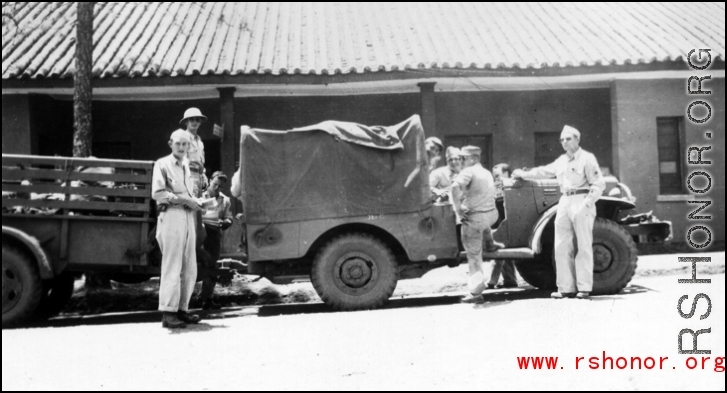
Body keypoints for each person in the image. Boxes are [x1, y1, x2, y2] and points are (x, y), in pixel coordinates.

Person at [512, 125, 606, 300]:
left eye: (568, 139)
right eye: (562, 140)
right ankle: (565, 288)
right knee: (561, 246)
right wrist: (522, 174)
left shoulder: (587, 158)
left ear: (577, 139)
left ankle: (584, 288)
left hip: (581, 199)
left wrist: (586, 204)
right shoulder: (561, 161)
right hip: (564, 201)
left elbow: (599, 183)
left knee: (583, 246)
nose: (564, 142)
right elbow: (543, 171)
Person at [152, 130, 205, 329]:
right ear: (170, 143)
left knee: (189, 265)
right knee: (172, 264)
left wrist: (198, 202)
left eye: (185, 144)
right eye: (178, 144)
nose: (181, 148)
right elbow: (158, 193)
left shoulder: (186, 165)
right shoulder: (162, 164)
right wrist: (185, 200)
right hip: (172, 216)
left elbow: (188, 192)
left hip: (188, 216)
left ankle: (182, 310)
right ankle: (168, 312)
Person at [451, 146, 505, 304]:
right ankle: (490, 243)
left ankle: (476, 293)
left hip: (476, 219)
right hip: (491, 215)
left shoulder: (468, 171)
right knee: (482, 223)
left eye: (463, 158)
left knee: (474, 256)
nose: (461, 161)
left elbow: (454, 187)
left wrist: (458, 209)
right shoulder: (486, 172)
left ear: (473, 159)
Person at [197, 171, 234, 310]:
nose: (217, 188)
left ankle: (207, 298)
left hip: (213, 236)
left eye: (220, 186)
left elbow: (229, 218)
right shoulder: (199, 196)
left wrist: (225, 222)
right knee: (196, 265)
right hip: (199, 235)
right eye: (215, 184)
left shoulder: (225, 200)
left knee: (212, 265)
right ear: (210, 181)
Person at [487, 163, 518, 289]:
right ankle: (510, 280)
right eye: (494, 177)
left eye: (498, 175)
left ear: (507, 173)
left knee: (499, 251)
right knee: (505, 251)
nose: (496, 179)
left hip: (510, 223)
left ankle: (491, 281)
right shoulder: (498, 187)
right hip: (502, 223)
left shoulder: (512, 185)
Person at [179, 107, 208, 197]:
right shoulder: (182, 137)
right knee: (190, 205)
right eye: (191, 120)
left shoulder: (199, 141)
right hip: (188, 175)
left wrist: (203, 175)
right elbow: (181, 161)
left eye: (197, 120)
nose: (195, 122)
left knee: (198, 206)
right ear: (186, 122)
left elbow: (201, 162)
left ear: (200, 122)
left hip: (199, 176)